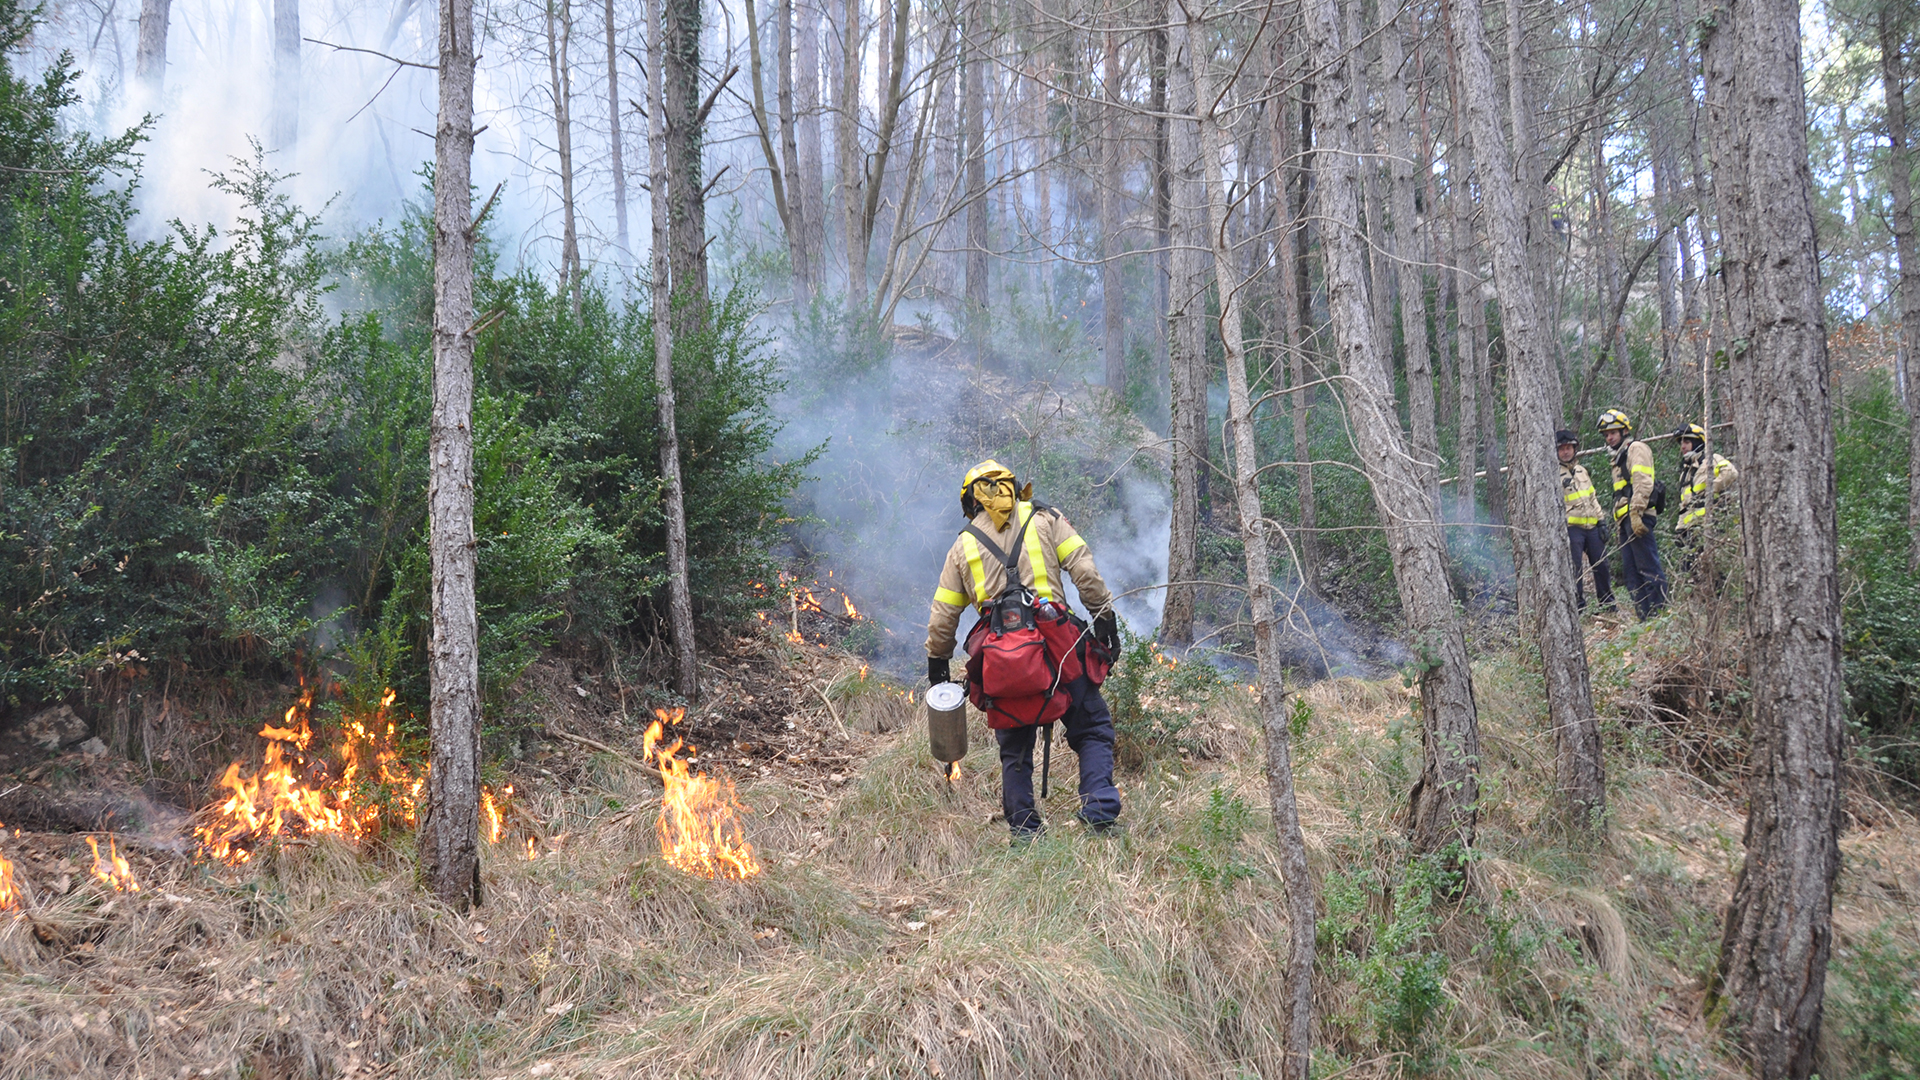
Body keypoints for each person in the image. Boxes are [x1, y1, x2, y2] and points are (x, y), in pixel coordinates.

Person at [926, 460, 1123, 842]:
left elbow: (943, 617)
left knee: (1014, 747)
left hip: (1002, 657)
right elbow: (1085, 572)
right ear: (1013, 488)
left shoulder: (963, 545)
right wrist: (1104, 621)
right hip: (1059, 644)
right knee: (1092, 728)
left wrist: (938, 668)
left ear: (969, 502)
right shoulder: (1045, 518)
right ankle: (1099, 809)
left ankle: (1025, 831)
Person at [1598, 409, 1668, 618]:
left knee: (1648, 568)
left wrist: (1636, 512)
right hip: (1625, 520)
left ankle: (1660, 615)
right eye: (1606, 434)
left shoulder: (1635, 449)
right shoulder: (1617, 457)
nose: (1610, 437)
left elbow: (1642, 482)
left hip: (1638, 516)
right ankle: (1644, 618)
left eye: (1613, 432)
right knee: (1631, 573)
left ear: (1624, 431)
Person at [1558, 429, 1614, 612]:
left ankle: (1607, 603)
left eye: (1569, 448)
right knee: (1575, 568)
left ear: (1574, 449)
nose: (1566, 452)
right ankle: (1578, 606)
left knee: (1601, 563)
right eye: (1562, 449)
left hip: (1592, 525)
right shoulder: (1553, 474)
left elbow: (1592, 498)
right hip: (1572, 527)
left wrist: (1601, 521)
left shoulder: (1582, 471)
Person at [1672, 423, 1739, 576]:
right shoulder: (1686, 472)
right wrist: (1680, 529)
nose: (1683, 446)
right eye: (1681, 443)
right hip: (1691, 532)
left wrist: (1711, 489)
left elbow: (1731, 473)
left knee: (1715, 571)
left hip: (1710, 527)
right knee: (1690, 572)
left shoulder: (1712, 459)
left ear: (1697, 442)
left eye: (1687, 442)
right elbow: (1685, 504)